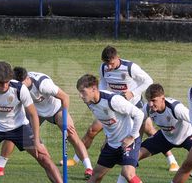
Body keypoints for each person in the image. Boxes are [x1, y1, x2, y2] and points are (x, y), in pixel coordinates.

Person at [75, 45, 181, 173]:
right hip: (113, 106)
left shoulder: (130, 67)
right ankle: (78, 159)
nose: (108, 66)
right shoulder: (103, 68)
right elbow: (102, 84)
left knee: (150, 131)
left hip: (134, 106)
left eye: (111, 63)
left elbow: (148, 81)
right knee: (93, 129)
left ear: (117, 58)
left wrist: (133, 92)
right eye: (106, 63)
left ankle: (172, 161)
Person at [67, 75, 156, 183]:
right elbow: (108, 121)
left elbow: (139, 114)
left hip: (129, 141)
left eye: (83, 91)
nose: (80, 95)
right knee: (97, 175)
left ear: (94, 89)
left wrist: (132, 136)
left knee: (128, 173)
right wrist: (108, 138)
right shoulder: (90, 102)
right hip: (112, 143)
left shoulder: (113, 100)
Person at [0, 67, 94, 179]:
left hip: (55, 110)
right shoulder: (16, 86)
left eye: (20, 84)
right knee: (13, 131)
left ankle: (89, 169)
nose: (18, 87)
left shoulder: (43, 84)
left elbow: (65, 97)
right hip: (35, 113)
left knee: (71, 134)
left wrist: (65, 119)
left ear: (26, 79)